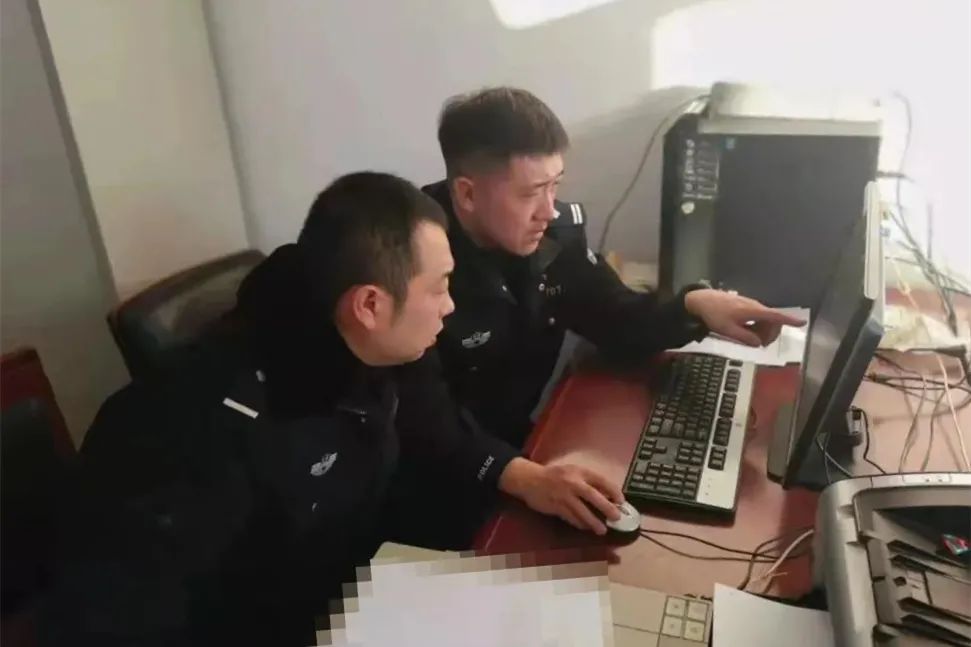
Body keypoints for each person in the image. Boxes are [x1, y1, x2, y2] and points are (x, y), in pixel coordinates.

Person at [41, 172, 616, 647]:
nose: (450, 306)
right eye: (440, 286)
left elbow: (435, 429)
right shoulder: (202, 433)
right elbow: (131, 619)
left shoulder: (371, 344)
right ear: (369, 305)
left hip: (356, 596)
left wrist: (525, 479)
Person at [408, 86, 804, 529]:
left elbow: (615, 316)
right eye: (530, 193)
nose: (547, 210)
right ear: (467, 194)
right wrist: (522, 476)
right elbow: (420, 418)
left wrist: (695, 306)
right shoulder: (410, 266)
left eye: (555, 185)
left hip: (523, 448)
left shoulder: (552, 233)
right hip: (441, 481)